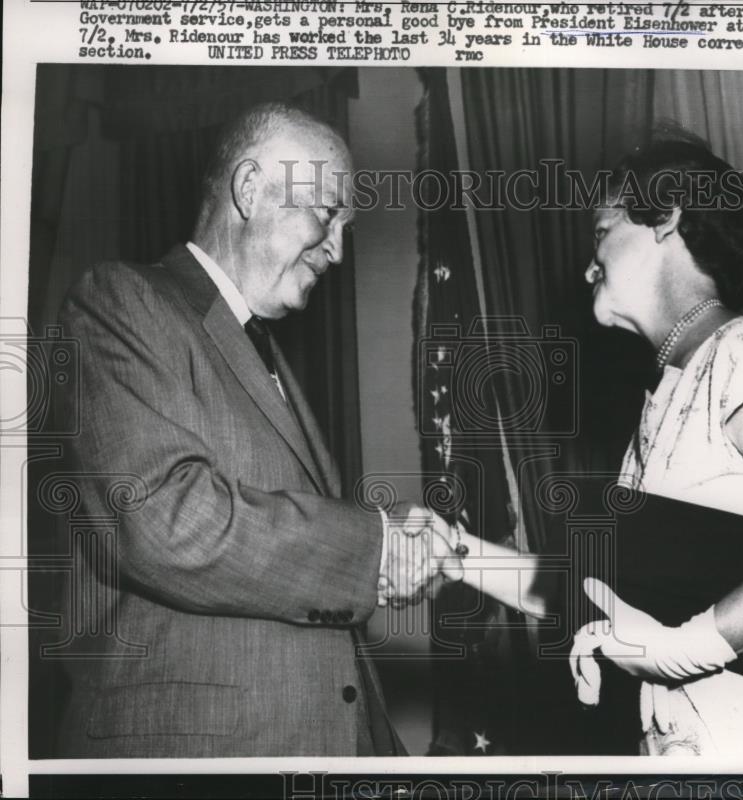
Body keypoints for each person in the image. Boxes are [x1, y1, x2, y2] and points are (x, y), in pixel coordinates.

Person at [453, 134, 743, 760]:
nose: (588, 265)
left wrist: (682, 651)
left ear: (669, 217)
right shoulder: (663, 405)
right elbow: (586, 589)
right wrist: (454, 553)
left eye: (602, 230)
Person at [54, 102, 451, 757]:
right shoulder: (121, 302)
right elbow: (164, 521)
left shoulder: (262, 351)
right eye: (327, 214)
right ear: (248, 190)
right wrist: (373, 546)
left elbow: (281, 540)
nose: (339, 250)